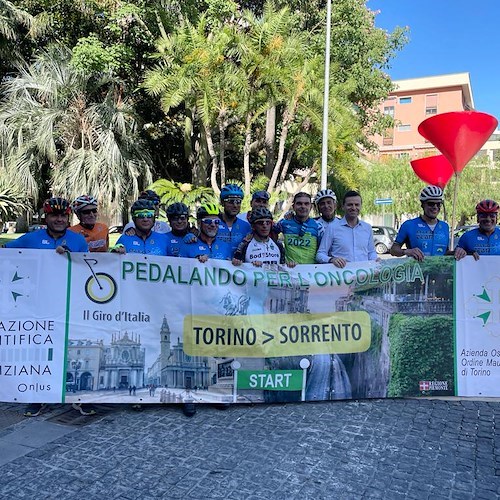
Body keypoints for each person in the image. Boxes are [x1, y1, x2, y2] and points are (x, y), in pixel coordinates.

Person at [3, 197, 90, 417]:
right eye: (54, 215)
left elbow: (87, 268)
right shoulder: (31, 238)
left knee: (70, 349)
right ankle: (37, 396)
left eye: (63, 215)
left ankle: (76, 396)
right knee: (40, 350)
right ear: (46, 217)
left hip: (68, 302)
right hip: (38, 304)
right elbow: (6, 253)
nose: (59, 219)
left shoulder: (78, 241)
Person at [316, 190, 377, 267]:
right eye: (350, 205)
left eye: (357, 205)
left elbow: (371, 252)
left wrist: (375, 260)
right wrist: (331, 259)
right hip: (341, 276)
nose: (354, 208)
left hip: (363, 276)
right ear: (343, 206)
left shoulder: (367, 228)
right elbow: (320, 254)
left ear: (361, 206)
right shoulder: (332, 227)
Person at [390, 185, 449, 261]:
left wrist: (458, 252)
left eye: (438, 204)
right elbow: (393, 250)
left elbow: (445, 252)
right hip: (416, 271)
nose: (435, 207)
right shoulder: (409, 225)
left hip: (439, 271)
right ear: (422, 204)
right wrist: (407, 251)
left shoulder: (445, 226)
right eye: (431, 203)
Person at [275, 192, 323, 265]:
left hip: (311, 272)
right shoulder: (284, 223)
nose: (303, 206)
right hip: (290, 271)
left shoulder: (318, 226)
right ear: (293, 206)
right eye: (299, 203)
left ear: (311, 207)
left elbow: (322, 251)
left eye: (306, 204)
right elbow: (268, 233)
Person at [217, 184, 251, 253]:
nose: (235, 206)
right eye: (231, 202)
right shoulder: (213, 223)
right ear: (222, 203)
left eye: (238, 202)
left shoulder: (246, 226)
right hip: (216, 263)